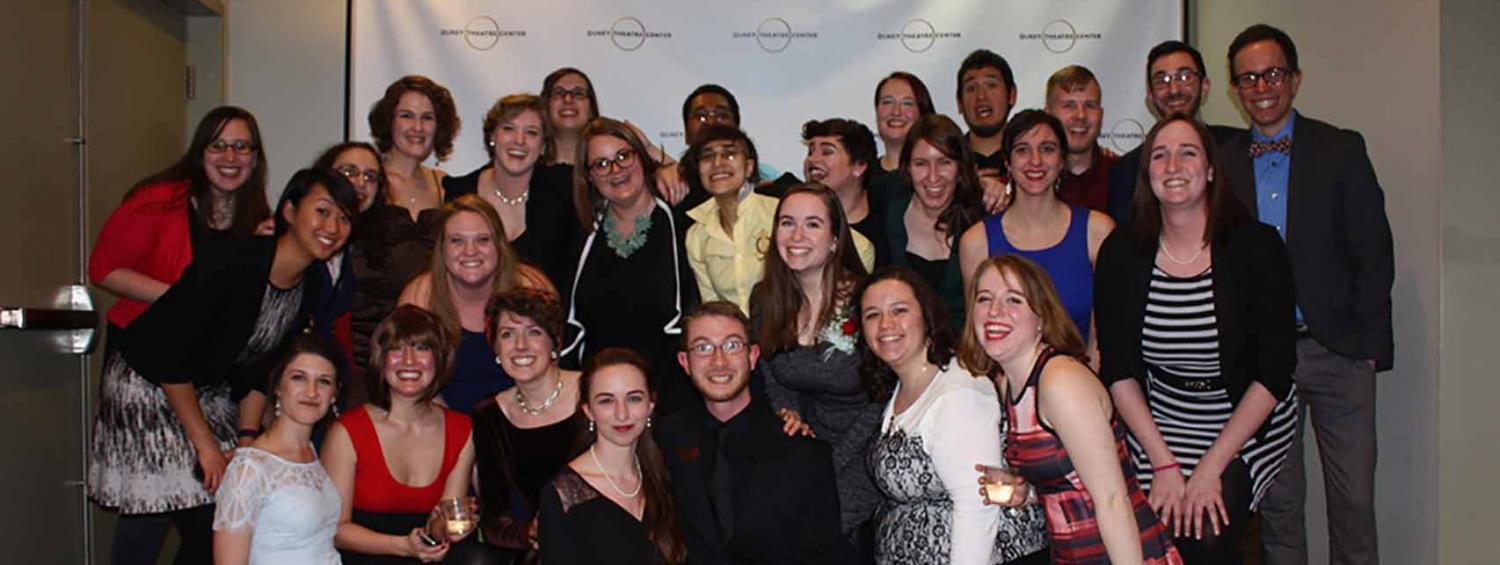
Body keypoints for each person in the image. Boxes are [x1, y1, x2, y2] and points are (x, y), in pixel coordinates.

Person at [89, 167, 355, 565]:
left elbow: (259, 369)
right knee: (160, 509)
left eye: (345, 218)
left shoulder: (311, 284)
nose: (332, 226)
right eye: (322, 211)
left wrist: (247, 437)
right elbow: (170, 354)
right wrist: (207, 445)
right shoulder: (234, 261)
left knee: (214, 508)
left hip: (205, 389)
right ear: (288, 211)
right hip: (147, 382)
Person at [1219, 24, 1394, 565]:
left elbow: (1374, 252)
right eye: (1247, 78)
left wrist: (1368, 346)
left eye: (1271, 73)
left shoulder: (1340, 148)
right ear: (1234, 89)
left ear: (1294, 79)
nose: (1261, 86)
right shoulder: (1220, 161)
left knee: (1353, 507)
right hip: (1264, 361)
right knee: (1278, 507)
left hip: (1337, 351)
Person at [1094, 116, 1301, 563]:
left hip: (1242, 418)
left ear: (1210, 170)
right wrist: (1165, 464)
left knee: (1206, 530)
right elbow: (1119, 370)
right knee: (1156, 529)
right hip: (1160, 419)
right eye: (1159, 155)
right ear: (1147, 174)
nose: (1173, 164)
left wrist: (1210, 467)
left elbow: (1274, 372)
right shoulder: (1121, 251)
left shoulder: (1257, 248)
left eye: (1188, 152)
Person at [959, 255, 1182, 564]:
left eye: (1013, 300)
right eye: (984, 299)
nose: (995, 311)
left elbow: (1112, 500)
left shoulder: (1060, 381)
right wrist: (1024, 492)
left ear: (1041, 317)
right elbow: (1069, 481)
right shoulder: (1008, 384)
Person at [860, 268, 1047, 564]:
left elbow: (978, 504)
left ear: (927, 318)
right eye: (872, 314)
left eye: (899, 310)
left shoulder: (958, 391)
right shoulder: (904, 387)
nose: (886, 324)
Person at [749, 183, 880, 557]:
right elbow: (773, 375)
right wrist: (786, 413)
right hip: (806, 445)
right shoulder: (765, 298)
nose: (797, 236)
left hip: (865, 447)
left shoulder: (866, 300)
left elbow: (883, 396)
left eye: (812, 224)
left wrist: (831, 463)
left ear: (836, 238)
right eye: (787, 223)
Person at [658, 302, 843, 563]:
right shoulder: (666, 439)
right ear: (684, 362)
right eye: (703, 348)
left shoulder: (801, 450)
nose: (718, 361)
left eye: (732, 345)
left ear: (753, 356)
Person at [321, 305, 499, 564]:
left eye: (421, 348)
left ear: (439, 360)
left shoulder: (462, 429)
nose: (408, 360)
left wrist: (441, 530)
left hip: (428, 554)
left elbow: (441, 527)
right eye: (396, 348)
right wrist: (403, 546)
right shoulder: (347, 431)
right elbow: (337, 531)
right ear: (381, 360)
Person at [562, 117, 700, 415]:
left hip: (673, 399)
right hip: (604, 403)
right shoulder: (582, 233)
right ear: (589, 176)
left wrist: (662, 157)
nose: (615, 170)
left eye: (623, 156)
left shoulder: (683, 217)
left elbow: (726, 179)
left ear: (641, 157)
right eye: (601, 163)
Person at [959, 110, 1113, 358]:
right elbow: (978, 340)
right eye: (1022, 150)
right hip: (1004, 389)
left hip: (1080, 385)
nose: (1035, 160)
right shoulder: (976, 242)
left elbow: (1102, 341)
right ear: (1007, 162)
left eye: (1048, 148)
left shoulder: (1097, 231)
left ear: (1062, 159)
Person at [399, 195, 555, 414]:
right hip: (444, 423)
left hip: (523, 418)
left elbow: (550, 372)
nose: (470, 251)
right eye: (457, 240)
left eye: (483, 240)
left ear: (499, 246)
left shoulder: (531, 287)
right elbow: (411, 384)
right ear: (441, 249)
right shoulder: (421, 297)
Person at [354, 75, 462, 386]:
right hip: (368, 333)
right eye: (407, 115)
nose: (417, 127)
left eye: (427, 117)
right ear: (389, 121)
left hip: (427, 340)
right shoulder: (367, 180)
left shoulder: (445, 185)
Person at [536, 348, 687, 564]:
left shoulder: (665, 475)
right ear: (588, 410)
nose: (622, 413)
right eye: (606, 401)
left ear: (650, 406)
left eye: (634, 398)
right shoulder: (562, 495)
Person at [471, 289, 585, 564]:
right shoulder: (489, 415)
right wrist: (529, 532)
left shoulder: (594, 392)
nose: (520, 345)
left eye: (534, 332)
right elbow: (494, 519)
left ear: (555, 342)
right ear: (495, 347)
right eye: (507, 334)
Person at [212, 335, 347, 564]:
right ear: (277, 386)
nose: (312, 392)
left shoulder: (312, 451)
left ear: (334, 393)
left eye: (323, 381)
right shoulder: (249, 470)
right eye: (298, 378)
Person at [444, 93, 581, 299]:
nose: (519, 140)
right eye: (509, 129)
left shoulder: (565, 189)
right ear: (492, 136)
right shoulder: (458, 192)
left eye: (532, 133)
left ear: (544, 145)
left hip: (548, 323)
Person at [1107, 41, 1243, 227]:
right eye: (1161, 81)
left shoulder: (1239, 149)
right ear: (1150, 94)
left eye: (1185, 77)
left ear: (1205, 86)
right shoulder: (1126, 170)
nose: (1174, 89)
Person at [883, 115, 986, 333]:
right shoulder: (885, 212)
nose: (933, 176)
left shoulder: (983, 220)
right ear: (907, 168)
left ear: (960, 168)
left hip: (967, 357)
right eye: (921, 164)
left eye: (944, 162)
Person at [311, 141, 387, 401]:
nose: (360, 183)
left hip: (346, 382)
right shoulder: (298, 238)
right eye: (349, 172)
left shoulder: (373, 248)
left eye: (370, 176)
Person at [679, 125, 778, 315]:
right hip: (736, 340)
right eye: (707, 156)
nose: (717, 163)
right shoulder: (697, 234)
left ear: (749, 167)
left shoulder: (778, 213)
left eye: (729, 154)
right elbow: (712, 306)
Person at [800, 119, 884, 269]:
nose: (813, 159)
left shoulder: (886, 220)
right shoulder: (793, 212)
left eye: (827, 152)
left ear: (859, 166)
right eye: (810, 152)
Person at [1043, 65, 1116, 213]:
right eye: (1069, 106)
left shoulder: (1124, 176)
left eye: (1090, 105)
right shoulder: (1032, 177)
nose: (1081, 116)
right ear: (1048, 114)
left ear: (1101, 115)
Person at [955, 49, 1019, 180]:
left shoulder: (1031, 160)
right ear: (960, 102)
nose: (981, 96)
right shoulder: (948, 161)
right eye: (971, 88)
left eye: (991, 85)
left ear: (1011, 95)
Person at [873, 71, 937, 175]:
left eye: (907, 103)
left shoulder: (937, 177)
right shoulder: (860, 179)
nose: (896, 112)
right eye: (887, 102)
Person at [540, 67, 600, 167]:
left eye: (578, 93)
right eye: (558, 93)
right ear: (546, 105)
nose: (568, 100)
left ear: (591, 108)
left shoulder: (606, 170)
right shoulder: (526, 169)